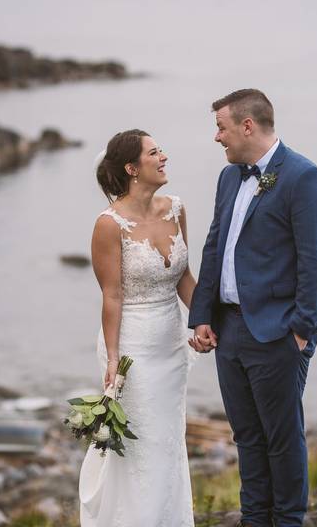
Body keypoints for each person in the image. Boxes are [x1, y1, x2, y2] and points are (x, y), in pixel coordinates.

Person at [189, 89, 317, 527]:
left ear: (247, 125)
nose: (217, 137)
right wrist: (201, 314)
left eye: (221, 127)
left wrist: (302, 330)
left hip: (277, 333)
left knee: (283, 438)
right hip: (229, 330)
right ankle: (255, 520)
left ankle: (289, 521)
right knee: (247, 438)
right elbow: (215, 245)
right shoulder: (229, 177)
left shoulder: (304, 178)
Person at [79, 128, 197, 527]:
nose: (163, 157)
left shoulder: (176, 208)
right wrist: (113, 360)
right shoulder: (108, 225)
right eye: (154, 152)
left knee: (168, 443)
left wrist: (205, 321)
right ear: (132, 168)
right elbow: (111, 295)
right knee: (141, 446)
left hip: (171, 345)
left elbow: (183, 278)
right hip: (132, 350)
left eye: (161, 149)